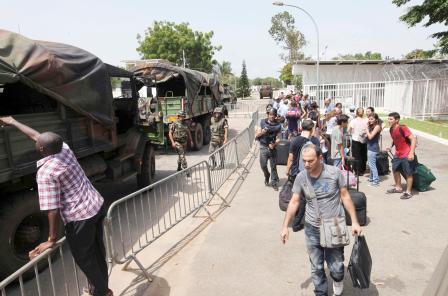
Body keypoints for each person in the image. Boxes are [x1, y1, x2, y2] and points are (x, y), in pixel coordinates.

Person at [0, 116, 113, 296]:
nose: (36, 142)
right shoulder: (64, 149)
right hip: (95, 205)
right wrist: (13, 122)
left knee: (86, 260)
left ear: (42, 149)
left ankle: (103, 292)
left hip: (80, 218)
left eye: (39, 143)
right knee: (98, 252)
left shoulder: (46, 172)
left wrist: (51, 239)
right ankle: (97, 288)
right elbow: (38, 137)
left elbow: (52, 209)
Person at [281, 143, 362, 296]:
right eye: (304, 160)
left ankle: (338, 281)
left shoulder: (334, 173)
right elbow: (294, 201)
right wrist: (285, 226)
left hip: (334, 226)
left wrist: (355, 221)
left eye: (310, 161)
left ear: (320, 158)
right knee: (316, 267)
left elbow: (345, 196)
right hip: (312, 227)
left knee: (337, 267)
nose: (306, 164)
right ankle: (321, 292)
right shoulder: (301, 177)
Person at [386, 112, 417, 199]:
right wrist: (390, 146)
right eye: (388, 119)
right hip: (397, 154)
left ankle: (408, 192)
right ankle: (398, 187)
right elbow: (395, 139)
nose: (389, 120)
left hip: (406, 153)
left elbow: (413, 140)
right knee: (395, 170)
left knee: (408, 173)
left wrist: (411, 153)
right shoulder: (391, 129)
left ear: (397, 120)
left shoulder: (402, 128)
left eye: (391, 119)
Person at [255, 108, 282, 191]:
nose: (272, 116)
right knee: (263, 165)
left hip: (272, 148)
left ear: (275, 115)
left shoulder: (278, 125)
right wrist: (262, 132)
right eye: (270, 114)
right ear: (268, 114)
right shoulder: (263, 122)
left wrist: (274, 144)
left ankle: (274, 183)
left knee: (273, 166)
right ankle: (267, 175)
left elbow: (279, 138)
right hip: (263, 147)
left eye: (273, 114)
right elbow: (257, 135)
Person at [348, 108, 368, 175]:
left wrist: (351, 133)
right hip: (364, 139)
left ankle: (357, 170)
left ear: (356, 113)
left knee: (356, 155)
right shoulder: (366, 120)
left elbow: (349, 130)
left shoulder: (354, 121)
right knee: (363, 154)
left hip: (355, 139)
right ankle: (362, 169)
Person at [366, 112, 382, 187]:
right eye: (369, 119)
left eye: (372, 119)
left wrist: (366, 129)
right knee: (371, 164)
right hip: (370, 147)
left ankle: (376, 181)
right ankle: (372, 178)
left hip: (373, 148)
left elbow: (370, 137)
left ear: (376, 119)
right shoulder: (372, 126)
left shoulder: (377, 126)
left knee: (372, 165)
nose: (370, 120)